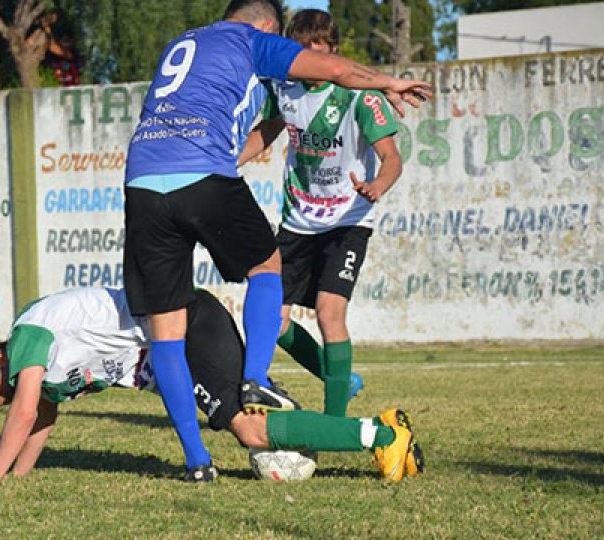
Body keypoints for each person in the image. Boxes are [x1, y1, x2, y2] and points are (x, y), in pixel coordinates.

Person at [123, 0, 432, 480]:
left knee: (166, 331)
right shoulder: (251, 40)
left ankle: (197, 462)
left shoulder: (182, 42)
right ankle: (255, 381)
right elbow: (335, 69)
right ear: (268, 25)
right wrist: (388, 81)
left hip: (141, 182)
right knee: (266, 267)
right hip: (204, 173)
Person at [0, 287, 424, 486]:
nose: (17, 396)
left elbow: (24, 412)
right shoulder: (42, 365)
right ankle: (369, 422)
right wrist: (19, 478)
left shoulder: (27, 334)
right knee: (253, 423)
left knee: (249, 429)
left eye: (7, 391)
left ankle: (383, 435)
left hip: (188, 326)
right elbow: (41, 416)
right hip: (180, 343)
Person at [238, 9, 405, 419]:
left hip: (348, 220)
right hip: (298, 220)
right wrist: (228, 161)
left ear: (333, 50)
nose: (314, 57)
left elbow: (392, 158)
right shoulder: (285, 89)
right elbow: (269, 130)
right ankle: (341, 380)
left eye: (322, 48)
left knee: (330, 313)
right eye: (304, 50)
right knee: (273, 322)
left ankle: (335, 423)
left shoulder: (361, 96)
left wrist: (377, 186)